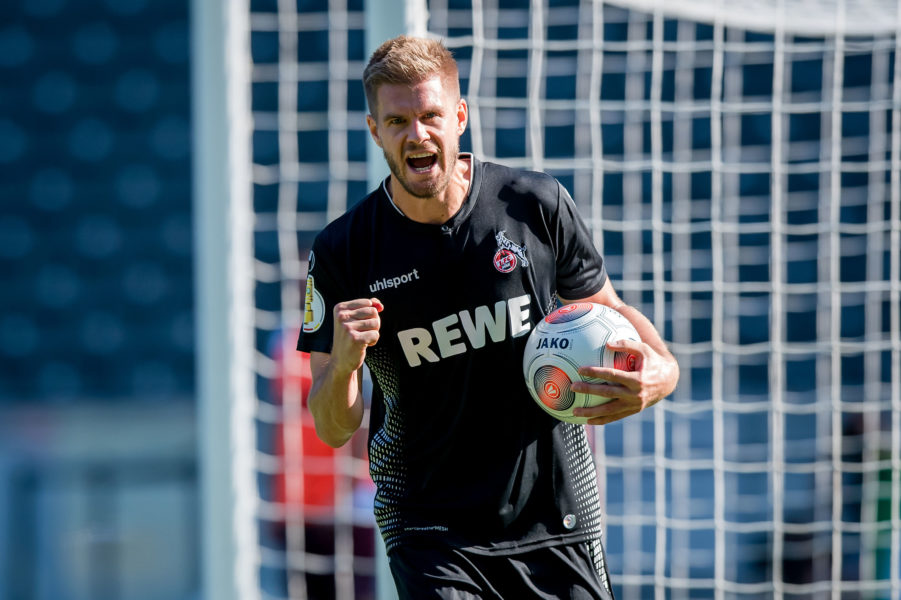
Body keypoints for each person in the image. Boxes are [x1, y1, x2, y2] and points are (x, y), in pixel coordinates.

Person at [297, 35, 679, 599]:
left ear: (460, 116)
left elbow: (611, 313)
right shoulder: (343, 252)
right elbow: (332, 427)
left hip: (557, 520)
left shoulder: (535, 205)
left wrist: (661, 373)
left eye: (430, 116)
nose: (418, 134)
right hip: (431, 532)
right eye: (398, 121)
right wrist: (348, 362)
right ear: (376, 131)